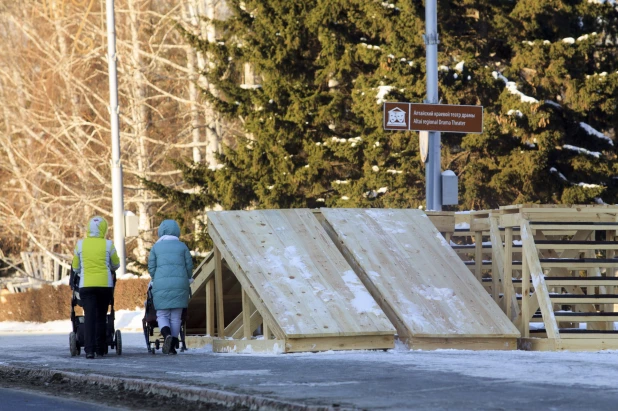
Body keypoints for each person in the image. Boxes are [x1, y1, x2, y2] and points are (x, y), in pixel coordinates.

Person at [72, 216, 120, 359]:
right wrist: (108, 267)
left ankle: (89, 350)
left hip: (86, 285)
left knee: (89, 317)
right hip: (104, 285)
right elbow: (116, 265)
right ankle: (100, 348)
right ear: (104, 229)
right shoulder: (108, 245)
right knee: (101, 316)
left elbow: (75, 267)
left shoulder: (80, 245)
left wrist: (82, 270)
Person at [148, 219, 193, 354]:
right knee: (176, 317)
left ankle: (166, 335)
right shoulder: (182, 246)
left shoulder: (156, 247)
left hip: (161, 284)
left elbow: (151, 267)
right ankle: (172, 345)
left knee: (162, 314)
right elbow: (189, 266)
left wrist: (156, 278)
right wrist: (188, 277)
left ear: (160, 231)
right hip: (180, 284)